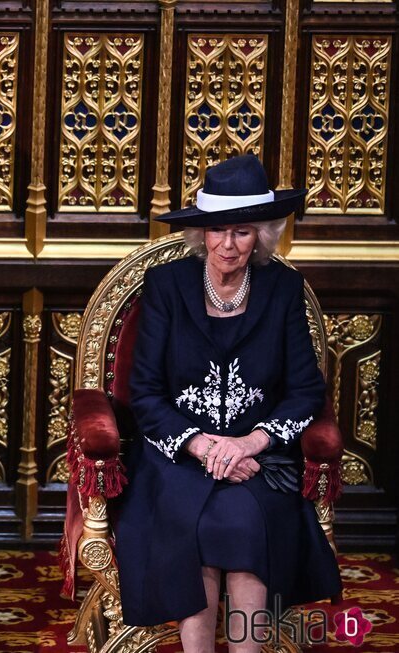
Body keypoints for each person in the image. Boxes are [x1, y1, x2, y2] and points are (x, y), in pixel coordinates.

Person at [115, 155, 341, 652]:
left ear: (262, 234)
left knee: (243, 523)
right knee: (191, 522)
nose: (228, 244)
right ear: (202, 235)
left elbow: (306, 390)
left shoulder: (283, 290)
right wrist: (201, 445)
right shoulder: (166, 287)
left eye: (242, 231)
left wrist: (249, 444)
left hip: (259, 457)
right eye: (217, 231)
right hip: (176, 455)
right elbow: (145, 392)